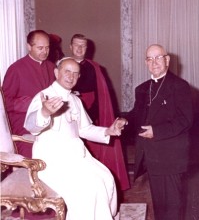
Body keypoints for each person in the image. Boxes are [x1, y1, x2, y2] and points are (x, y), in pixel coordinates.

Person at [24, 57, 126, 220]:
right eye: (67, 72)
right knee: (90, 188)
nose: (71, 77)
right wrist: (44, 113)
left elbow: (84, 129)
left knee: (106, 178)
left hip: (77, 157)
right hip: (52, 161)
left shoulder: (75, 100)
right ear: (57, 73)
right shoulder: (44, 96)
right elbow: (30, 126)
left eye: (76, 74)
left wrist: (108, 131)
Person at [121, 44, 193, 220]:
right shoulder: (142, 88)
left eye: (158, 57)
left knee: (173, 206)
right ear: (146, 63)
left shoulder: (180, 86)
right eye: (149, 59)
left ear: (167, 60)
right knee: (160, 206)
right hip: (151, 156)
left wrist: (157, 131)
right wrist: (124, 120)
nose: (154, 63)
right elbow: (136, 115)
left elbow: (185, 120)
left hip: (171, 155)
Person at [69, 34, 130, 191]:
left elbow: (101, 95)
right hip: (68, 112)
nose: (79, 49)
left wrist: (90, 114)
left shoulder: (94, 68)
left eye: (83, 46)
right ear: (70, 47)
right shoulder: (62, 65)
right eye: (76, 45)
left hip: (92, 113)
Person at [2, 30, 56, 158]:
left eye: (47, 48)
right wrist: (29, 103)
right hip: (23, 122)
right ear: (29, 47)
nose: (44, 51)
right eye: (40, 48)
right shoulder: (16, 69)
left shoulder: (51, 67)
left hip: (49, 120)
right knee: (32, 158)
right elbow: (4, 103)